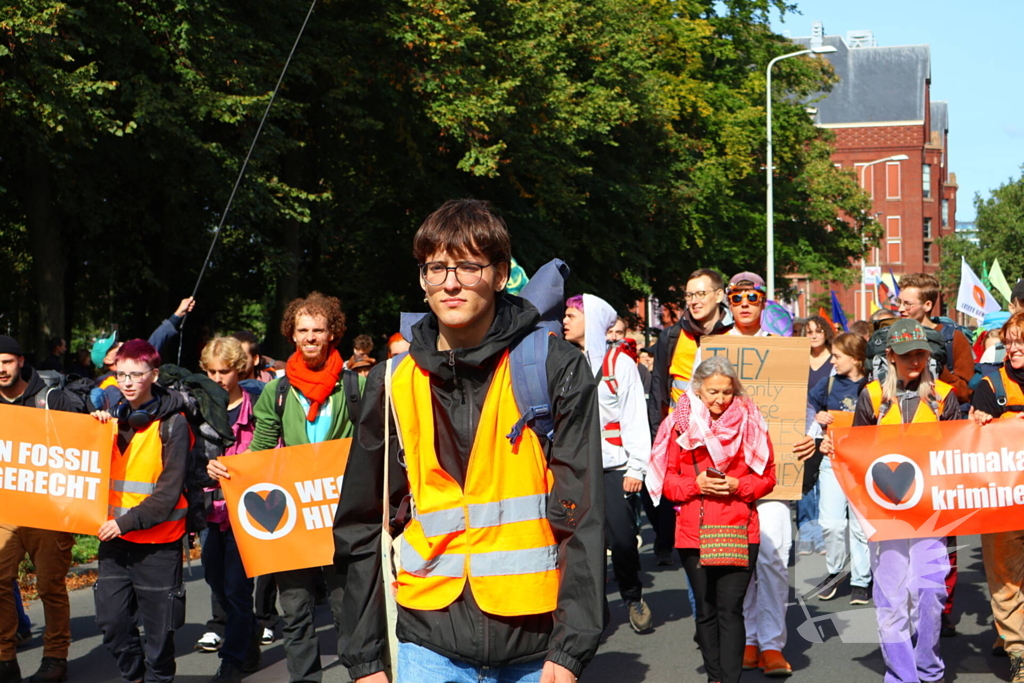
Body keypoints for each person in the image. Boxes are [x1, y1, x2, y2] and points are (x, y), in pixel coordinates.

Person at [334, 198, 605, 683]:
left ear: (501, 274)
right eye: (435, 267)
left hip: (533, 648)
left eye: (468, 266)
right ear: (422, 278)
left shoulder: (553, 367)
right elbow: (359, 525)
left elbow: (583, 516)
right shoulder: (392, 380)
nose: (450, 282)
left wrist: (569, 651)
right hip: (427, 646)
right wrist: (365, 659)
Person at [212, 292, 359, 683]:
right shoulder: (278, 393)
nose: (310, 337)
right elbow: (259, 449)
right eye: (303, 330)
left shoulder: (353, 387)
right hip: (293, 516)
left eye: (318, 330)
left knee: (348, 611)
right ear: (292, 335)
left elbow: (371, 445)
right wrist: (229, 469)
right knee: (294, 610)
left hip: (338, 511)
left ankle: (359, 675)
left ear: (332, 334)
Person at [825, 319, 958, 683]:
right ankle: (901, 674)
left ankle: (929, 667)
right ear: (890, 357)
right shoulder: (872, 397)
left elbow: (963, 451)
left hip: (933, 511)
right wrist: (833, 445)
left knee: (928, 593)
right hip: (886, 513)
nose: (914, 360)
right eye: (906, 354)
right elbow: (857, 447)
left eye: (920, 353)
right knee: (891, 598)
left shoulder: (945, 396)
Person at [656, 356, 776, 683]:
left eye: (726, 392)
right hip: (693, 532)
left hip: (739, 528)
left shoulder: (751, 421)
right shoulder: (679, 425)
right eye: (712, 392)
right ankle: (715, 678)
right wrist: (696, 484)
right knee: (706, 611)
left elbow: (768, 476)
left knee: (730, 609)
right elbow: (666, 483)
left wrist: (741, 485)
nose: (720, 400)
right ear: (698, 389)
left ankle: (730, 679)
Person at [89, 340, 192, 683]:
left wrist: (124, 523)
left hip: (158, 546)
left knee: (160, 638)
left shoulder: (173, 424)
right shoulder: (109, 421)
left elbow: (167, 494)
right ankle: (135, 677)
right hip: (116, 543)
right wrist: (94, 432)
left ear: (154, 375)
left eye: (136, 374)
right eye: (120, 374)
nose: (128, 382)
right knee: (112, 625)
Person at [563, 294, 653, 632]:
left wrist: (636, 467)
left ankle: (632, 596)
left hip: (616, 468)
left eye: (572, 314)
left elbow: (633, 416)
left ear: (594, 320)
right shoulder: (565, 363)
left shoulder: (621, 364)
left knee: (624, 540)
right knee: (587, 545)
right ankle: (595, 612)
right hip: (578, 470)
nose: (565, 321)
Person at [722, 272, 793, 676]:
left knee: (773, 556)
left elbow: (797, 406)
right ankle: (746, 637)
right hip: (728, 472)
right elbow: (695, 404)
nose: (745, 302)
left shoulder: (782, 350)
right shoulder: (712, 349)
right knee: (737, 559)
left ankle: (771, 644)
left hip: (775, 470)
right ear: (728, 302)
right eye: (737, 297)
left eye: (752, 296)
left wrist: (811, 435)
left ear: (764, 301)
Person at [0, 336, 82, 683]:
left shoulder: (51, 399)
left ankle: (55, 657)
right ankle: (5, 658)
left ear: (20, 361)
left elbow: (82, 442)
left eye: (5, 361)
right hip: (5, 509)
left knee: (50, 585)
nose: (0, 369)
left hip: (49, 507)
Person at [896, 273, 971, 636]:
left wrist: (936, 374)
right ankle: (905, 610)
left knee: (943, 540)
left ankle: (941, 606)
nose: (901, 307)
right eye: (900, 301)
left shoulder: (953, 337)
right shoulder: (891, 334)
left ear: (927, 305)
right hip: (897, 458)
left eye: (907, 302)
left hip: (937, 452)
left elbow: (966, 385)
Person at [198, 337, 263, 682]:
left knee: (238, 588)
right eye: (211, 371)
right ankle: (249, 632)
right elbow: (184, 457)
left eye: (224, 371)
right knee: (215, 582)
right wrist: (203, 467)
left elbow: (274, 451)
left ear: (239, 369)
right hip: (210, 511)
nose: (218, 378)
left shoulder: (258, 406)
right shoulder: (197, 407)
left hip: (246, 511)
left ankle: (232, 659)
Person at [796, 333, 871, 603]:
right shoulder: (828, 384)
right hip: (832, 460)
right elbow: (809, 407)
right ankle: (834, 571)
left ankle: (861, 579)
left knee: (861, 526)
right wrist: (818, 416)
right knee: (831, 523)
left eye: (837, 356)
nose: (833, 361)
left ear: (856, 358)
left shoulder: (872, 385)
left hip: (863, 463)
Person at [970, 311, 1024, 679]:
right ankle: (1018, 648)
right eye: (1011, 340)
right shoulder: (991, 385)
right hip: (1004, 499)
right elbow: (969, 442)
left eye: (1022, 340)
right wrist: (979, 424)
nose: (1014, 347)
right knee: (1005, 575)